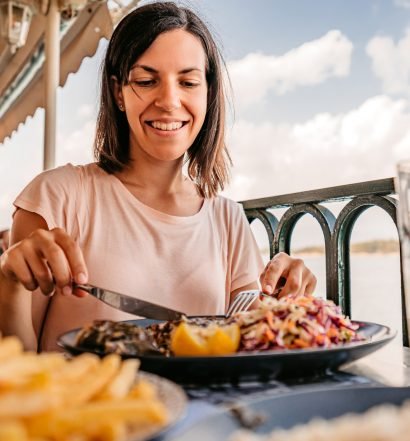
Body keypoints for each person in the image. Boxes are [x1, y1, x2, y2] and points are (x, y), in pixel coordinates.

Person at [0, 1, 316, 352]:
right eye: (147, 81)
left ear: (207, 94)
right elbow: (18, 364)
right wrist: (8, 283)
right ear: (119, 92)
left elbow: (251, 340)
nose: (169, 100)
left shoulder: (228, 220)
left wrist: (287, 298)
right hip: (79, 406)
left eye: (188, 82)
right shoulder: (57, 197)